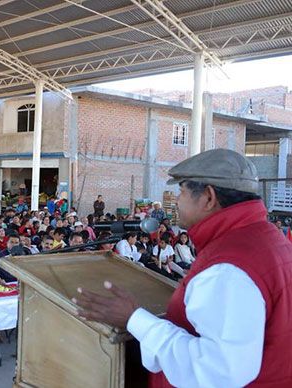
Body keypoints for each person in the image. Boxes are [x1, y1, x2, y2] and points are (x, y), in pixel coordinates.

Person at [73, 148, 292, 387]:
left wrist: (134, 319)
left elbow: (218, 372)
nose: (176, 200)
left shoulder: (228, 267)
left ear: (208, 197)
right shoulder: (268, 238)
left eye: (182, 191)